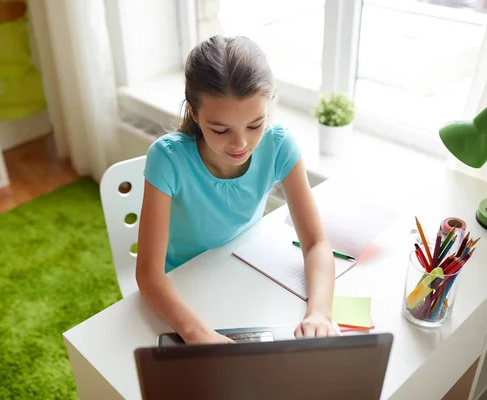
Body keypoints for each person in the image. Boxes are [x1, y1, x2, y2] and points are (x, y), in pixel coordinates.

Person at [136, 35, 339, 344]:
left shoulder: (279, 144)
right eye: (220, 130)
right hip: (184, 284)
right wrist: (197, 334)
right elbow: (149, 275)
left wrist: (320, 313)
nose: (240, 144)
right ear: (194, 112)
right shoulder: (167, 159)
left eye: (255, 125)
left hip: (245, 269)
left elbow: (316, 244)